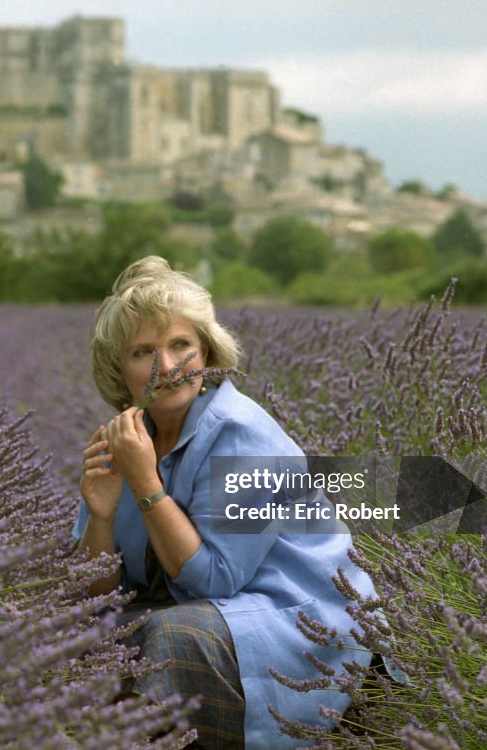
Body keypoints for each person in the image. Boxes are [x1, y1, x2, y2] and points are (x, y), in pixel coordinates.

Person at [72, 256, 377, 749]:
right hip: (204, 611)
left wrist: (146, 484)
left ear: (207, 355)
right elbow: (95, 599)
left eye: (180, 346)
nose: (166, 367)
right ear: (118, 370)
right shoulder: (128, 438)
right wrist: (101, 516)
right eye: (143, 351)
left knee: (173, 638)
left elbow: (213, 579)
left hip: (294, 617)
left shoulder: (243, 434)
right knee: (71, 640)